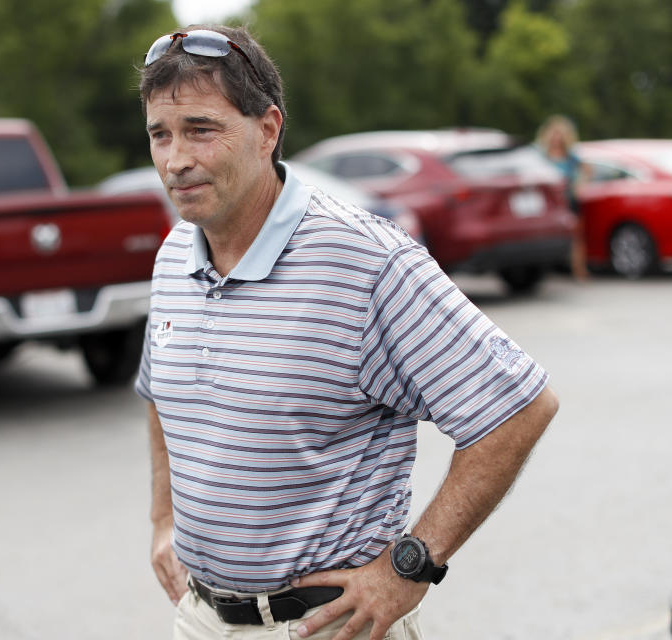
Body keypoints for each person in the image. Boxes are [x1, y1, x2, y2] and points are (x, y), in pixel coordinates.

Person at [136, 25, 559, 640]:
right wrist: (162, 518)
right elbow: (161, 393)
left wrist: (410, 567)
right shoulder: (174, 253)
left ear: (268, 129)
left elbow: (519, 406)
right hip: (201, 620)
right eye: (160, 135)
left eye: (202, 129)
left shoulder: (365, 262)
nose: (176, 160)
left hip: (323, 628)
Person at [536, 114, 590, 281]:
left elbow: (587, 169)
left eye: (560, 134)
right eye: (554, 134)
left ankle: (579, 270)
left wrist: (579, 184)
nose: (557, 138)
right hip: (549, 203)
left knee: (575, 236)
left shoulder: (571, 156)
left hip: (567, 201)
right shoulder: (541, 155)